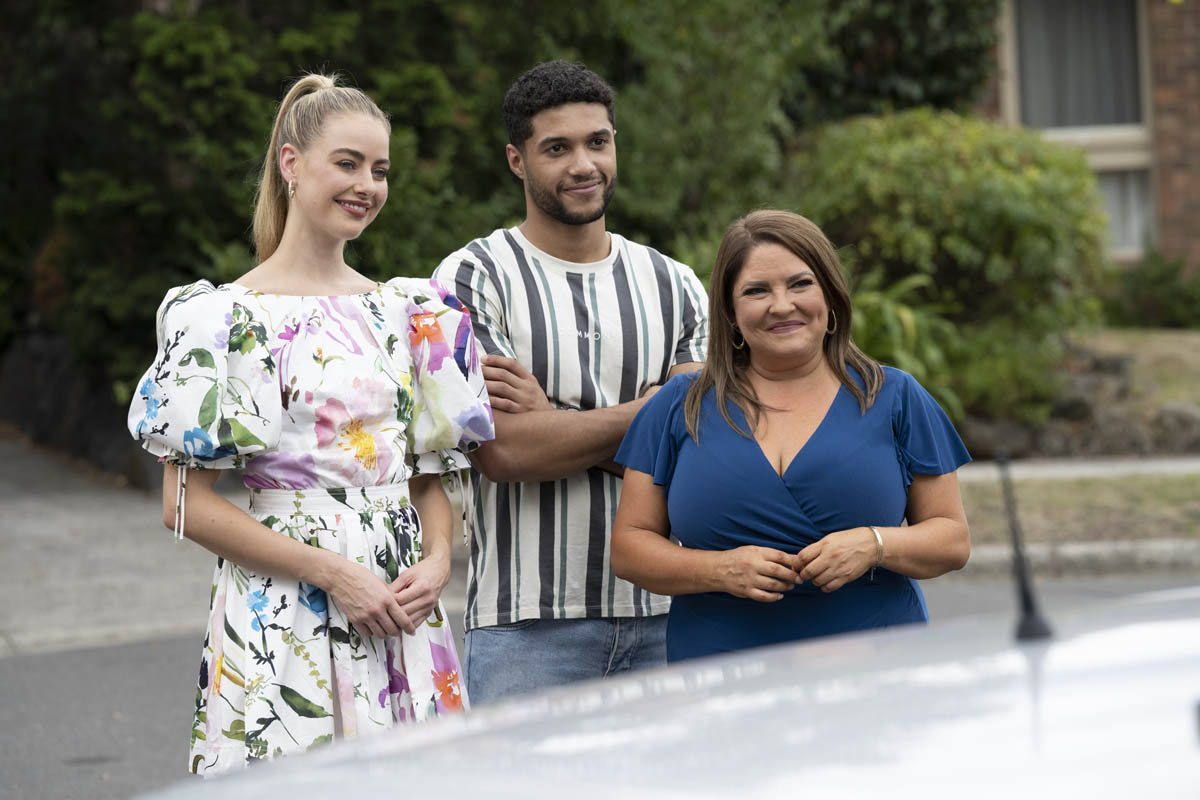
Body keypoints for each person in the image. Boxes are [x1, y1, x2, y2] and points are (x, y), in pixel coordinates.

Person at [126, 73, 494, 775]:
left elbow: (427, 480)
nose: (367, 186)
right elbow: (183, 504)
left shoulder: (407, 312)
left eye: (380, 170)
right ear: (291, 164)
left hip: (401, 608)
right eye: (348, 163)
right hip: (288, 608)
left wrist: (438, 562)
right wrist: (333, 573)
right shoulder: (226, 319)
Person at [432, 60, 708, 703]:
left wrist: (552, 417)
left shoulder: (676, 284)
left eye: (598, 142)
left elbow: (698, 448)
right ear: (517, 160)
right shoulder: (473, 276)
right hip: (526, 624)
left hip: (670, 615)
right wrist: (654, 412)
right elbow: (504, 452)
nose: (584, 165)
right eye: (557, 148)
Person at [611, 209, 970, 662]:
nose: (781, 305)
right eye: (756, 291)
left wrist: (874, 545)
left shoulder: (895, 397)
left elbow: (952, 540)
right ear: (730, 313)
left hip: (875, 669)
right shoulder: (679, 404)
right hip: (721, 672)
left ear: (831, 296)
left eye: (800, 284)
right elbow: (629, 548)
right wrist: (719, 569)